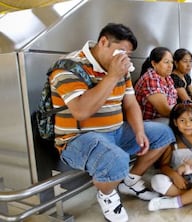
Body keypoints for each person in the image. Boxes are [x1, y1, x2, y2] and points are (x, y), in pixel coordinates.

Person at [48, 23, 175, 221]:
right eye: (121, 51)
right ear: (103, 42)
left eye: (128, 53)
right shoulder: (68, 66)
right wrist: (113, 75)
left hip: (115, 132)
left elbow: (130, 102)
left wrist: (139, 131)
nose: (124, 58)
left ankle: (130, 181)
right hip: (77, 140)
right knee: (117, 160)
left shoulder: (121, 68)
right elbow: (81, 111)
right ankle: (107, 195)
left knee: (164, 132)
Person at [135, 48, 192, 155]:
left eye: (171, 62)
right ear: (154, 63)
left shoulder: (167, 78)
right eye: (166, 62)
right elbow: (165, 110)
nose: (170, 65)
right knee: (189, 123)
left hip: (170, 115)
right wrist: (190, 115)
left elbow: (180, 102)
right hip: (152, 121)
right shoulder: (151, 78)